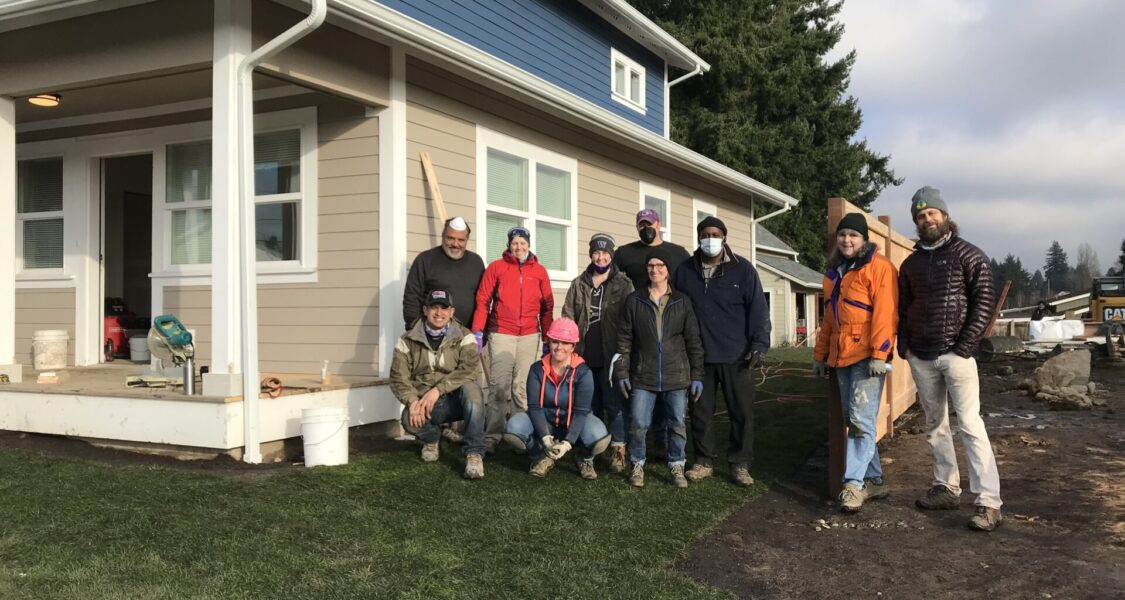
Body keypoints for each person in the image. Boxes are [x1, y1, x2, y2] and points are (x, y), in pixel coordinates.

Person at [898, 186, 1003, 531]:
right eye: (920, 215)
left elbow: (984, 303)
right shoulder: (910, 264)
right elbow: (903, 308)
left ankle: (989, 502)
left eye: (931, 213)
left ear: (944, 215)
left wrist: (964, 346)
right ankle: (946, 487)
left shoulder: (970, 256)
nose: (926, 219)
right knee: (935, 425)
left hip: (957, 355)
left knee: (970, 425)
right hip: (922, 356)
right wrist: (905, 347)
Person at [672, 216, 770, 488]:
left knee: (741, 413)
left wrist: (759, 345)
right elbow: (675, 309)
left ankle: (740, 463)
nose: (710, 239)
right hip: (698, 357)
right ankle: (704, 461)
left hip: (737, 356)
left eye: (715, 234)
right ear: (699, 237)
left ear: (724, 237)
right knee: (700, 412)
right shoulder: (684, 271)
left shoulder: (743, 270)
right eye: (705, 234)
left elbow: (758, 310)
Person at [812, 213, 899, 511]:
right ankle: (873, 479)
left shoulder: (879, 267)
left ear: (864, 239)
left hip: (866, 357)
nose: (846, 240)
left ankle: (853, 485)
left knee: (861, 421)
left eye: (853, 235)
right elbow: (829, 319)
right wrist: (820, 355)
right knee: (853, 419)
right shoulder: (835, 272)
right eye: (842, 234)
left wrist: (880, 353)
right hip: (841, 355)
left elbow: (886, 313)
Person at [613, 252, 704, 488]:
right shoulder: (634, 300)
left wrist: (697, 375)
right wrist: (622, 371)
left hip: (676, 375)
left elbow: (693, 341)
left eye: (660, 265)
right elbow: (624, 339)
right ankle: (637, 464)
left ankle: (677, 465)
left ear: (668, 269)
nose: (655, 270)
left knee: (677, 423)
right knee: (638, 423)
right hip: (643, 375)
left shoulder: (682, 301)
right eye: (650, 266)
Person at [613, 208, 690, 455]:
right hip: (637, 329)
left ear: (659, 224)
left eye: (650, 223)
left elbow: (688, 286)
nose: (646, 228)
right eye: (641, 224)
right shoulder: (624, 253)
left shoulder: (678, 253)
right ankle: (635, 445)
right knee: (643, 390)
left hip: (670, 329)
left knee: (668, 392)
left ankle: (664, 441)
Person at [471, 226, 554, 453]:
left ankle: (519, 435)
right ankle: (492, 436)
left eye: (523, 242)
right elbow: (483, 300)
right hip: (501, 333)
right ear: (509, 245)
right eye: (515, 243)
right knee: (499, 387)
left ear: (529, 244)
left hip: (529, 335)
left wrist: (547, 337)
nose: (519, 247)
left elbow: (547, 307)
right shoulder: (496, 267)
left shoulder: (539, 271)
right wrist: (478, 330)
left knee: (522, 388)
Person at [389, 289, 485, 479]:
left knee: (473, 392)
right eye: (434, 307)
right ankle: (432, 438)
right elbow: (398, 377)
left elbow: (468, 370)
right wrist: (412, 401)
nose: (439, 313)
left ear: (452, 312)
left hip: (456, 399)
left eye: (444, 308)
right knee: (408, 419)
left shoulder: (465, 336)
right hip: (425, 402)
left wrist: (438, 390)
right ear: (425, 310)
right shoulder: (406, 340)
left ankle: (474, 453)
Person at [503, 318, 611, 479]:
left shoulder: (583, 372)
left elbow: (581, 411)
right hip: (546, 421)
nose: (559, 347)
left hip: (573, 422)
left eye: (565, 343)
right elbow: (535, 407)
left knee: (598, 436)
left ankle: (585, 458)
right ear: (549, 342)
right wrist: (546, 438)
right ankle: (540, 455)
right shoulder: (537, 369)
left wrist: (567, 443)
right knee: (514, 428)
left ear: (573, 346)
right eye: (555, 341)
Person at [562, 233, 634, 473]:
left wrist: (624, 353)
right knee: (587, 406)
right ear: (590, 254)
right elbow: (568, 317)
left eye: (605, 253)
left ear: (611, 255)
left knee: (615, 405)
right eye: (596, 252)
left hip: (611, 357)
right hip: (584, 357)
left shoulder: (623, 284)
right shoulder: (578, 283)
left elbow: (629, 320)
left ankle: (618, 450)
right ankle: (587, 454)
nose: (600, 257)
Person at [402, 217, 486, 329]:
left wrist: (480, 329)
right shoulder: (425, 260)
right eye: (450, 238)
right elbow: (412, 297)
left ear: (467, 240)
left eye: (461, 240)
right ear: (443, 236)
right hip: (432, 333)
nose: (455, 244)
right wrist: (414, 328)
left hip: (467, 333)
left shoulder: (476, 262)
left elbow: (483, 299)